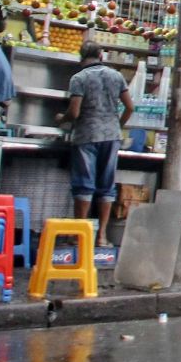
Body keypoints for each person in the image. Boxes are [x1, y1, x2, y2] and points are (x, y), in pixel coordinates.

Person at [58, 42, 131, 247]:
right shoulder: (116, 76)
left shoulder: (79, 78)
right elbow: (130, 107)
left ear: (81, 58)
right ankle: (102, 237)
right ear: (101, 55)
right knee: (106, 187)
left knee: (84, 185)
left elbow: (74, 112)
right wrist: (116, 125)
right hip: (111, 136)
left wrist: (60, 119)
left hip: (86, 135)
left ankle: (79, 235)